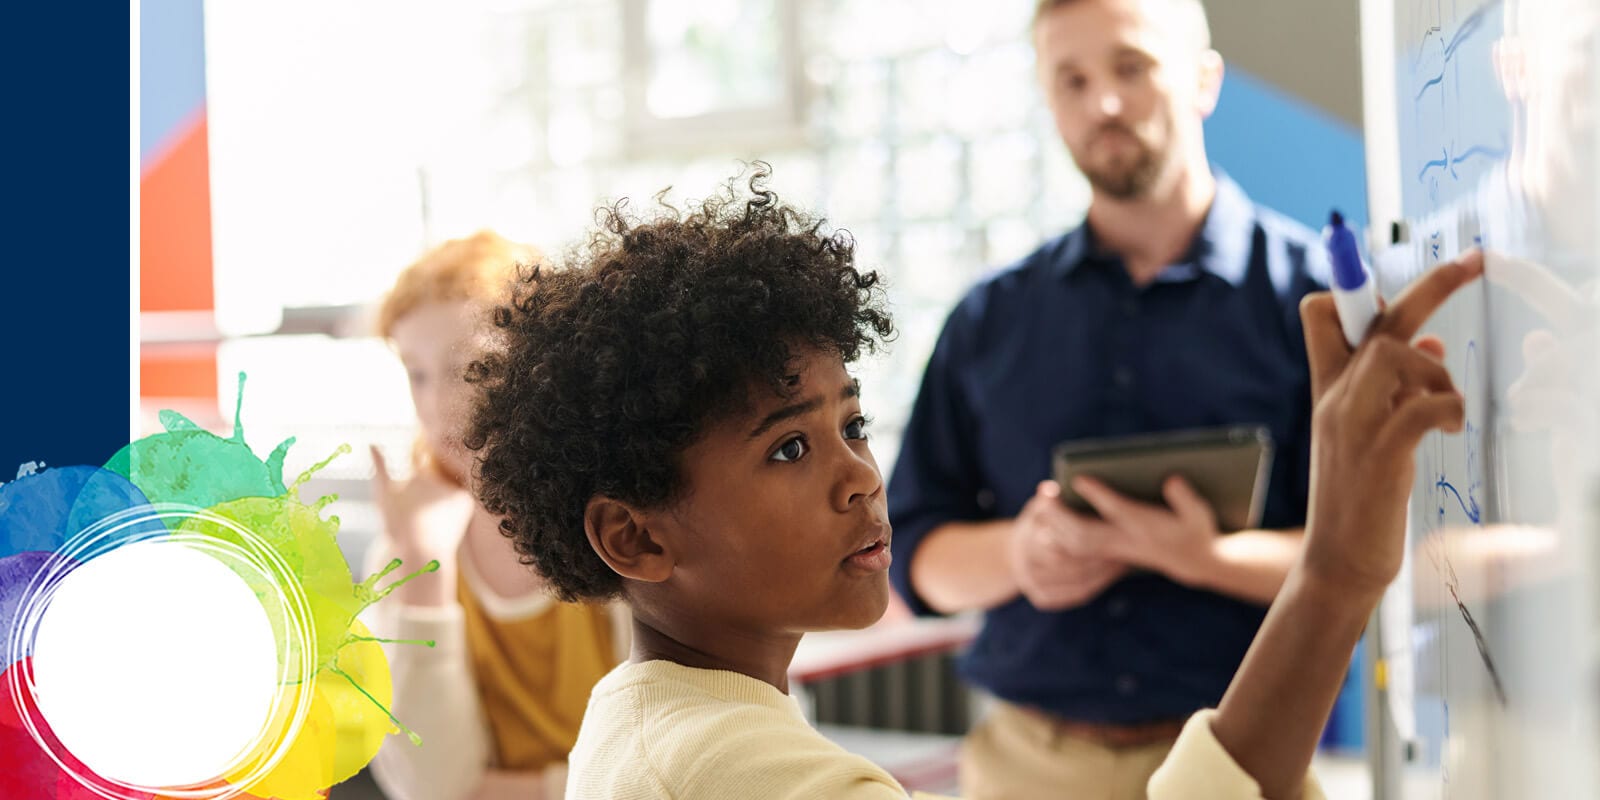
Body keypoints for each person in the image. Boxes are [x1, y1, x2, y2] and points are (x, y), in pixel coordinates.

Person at [463, 163, 1485, 799]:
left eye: (851, 423)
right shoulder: (729, 767)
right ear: (635, 538)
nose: (860, 476)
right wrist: (1337, 571)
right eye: (788, 447)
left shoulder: (667, 714)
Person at [886, 1, 1332, 794]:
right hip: (1030, 768)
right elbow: (916, 559)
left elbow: (1362, 557)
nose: (1105, 104)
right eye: (1073, 80)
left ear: (1203, 80)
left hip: (1248, 759)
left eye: (1131, 67)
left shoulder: (1315, 306)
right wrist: (1018, 554)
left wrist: (1205, 558)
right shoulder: (990, 320)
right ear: (1048, 100)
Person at [364, 231, 627, 800]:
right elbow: (430, 787)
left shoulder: (616, 521)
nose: (438, 407)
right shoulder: (403, 550)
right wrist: (423, 568)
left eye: (474, 367)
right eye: (418, 373)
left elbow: (671, 766)